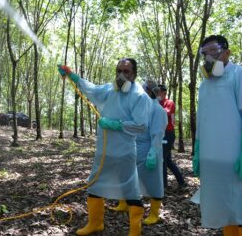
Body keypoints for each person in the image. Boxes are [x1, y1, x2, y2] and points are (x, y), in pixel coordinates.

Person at [58, 58, 152, 236]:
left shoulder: (140, 96)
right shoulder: (110, 89)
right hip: (105, 150)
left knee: (130, 190)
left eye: (126, 71)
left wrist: (117, 124)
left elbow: (141, 125)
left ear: (134, 74)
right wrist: (72, 76)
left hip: (125, 152)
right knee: (94, 184)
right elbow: (92, 89)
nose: (121, 75)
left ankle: (135, 231)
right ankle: (95, 223)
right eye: (119, 71)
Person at [193, 35, 242, 236]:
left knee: (240, 204)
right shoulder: (204, 85)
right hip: (212, 160)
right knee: (223, 206)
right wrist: (197, 151)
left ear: (227, 52)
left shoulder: (239, 75)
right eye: (204, 53)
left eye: (213, 51)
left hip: (236, 160)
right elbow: (203, 120)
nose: (208, 57)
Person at [111, 80, 167, 226]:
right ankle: (124, 203)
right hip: (134, 146)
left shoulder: (158, 111)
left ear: (149, 91)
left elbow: (157, 134)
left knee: (153, 181)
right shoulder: (139, 107)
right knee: (127, 176)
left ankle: (154, 213)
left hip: (149, 148)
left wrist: (153, 152)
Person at [159, 84, 185, 188]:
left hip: (168, 134)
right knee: (168, 160)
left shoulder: (169, 102)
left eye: (159, 92)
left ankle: (163, 186)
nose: (157, 94)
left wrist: (156, 106)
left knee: (163, 160)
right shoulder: (157, 102)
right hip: (161, 134)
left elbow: (167, 112)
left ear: (164, 93)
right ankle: (182, 182)